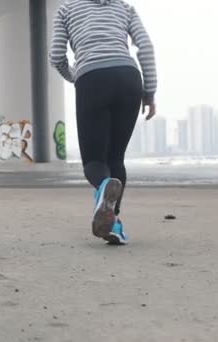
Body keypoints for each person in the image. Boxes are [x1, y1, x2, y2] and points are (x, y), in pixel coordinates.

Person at [49, 0, 157, 245]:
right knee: (116, 158)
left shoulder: (66, 9)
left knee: (94, 162)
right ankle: (114, 223)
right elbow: (146, 47)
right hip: (129, 77)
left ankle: (105, 187)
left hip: (92, 78)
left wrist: (76, 75)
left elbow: (56, 56)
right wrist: (149, 92)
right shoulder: (124, 7)